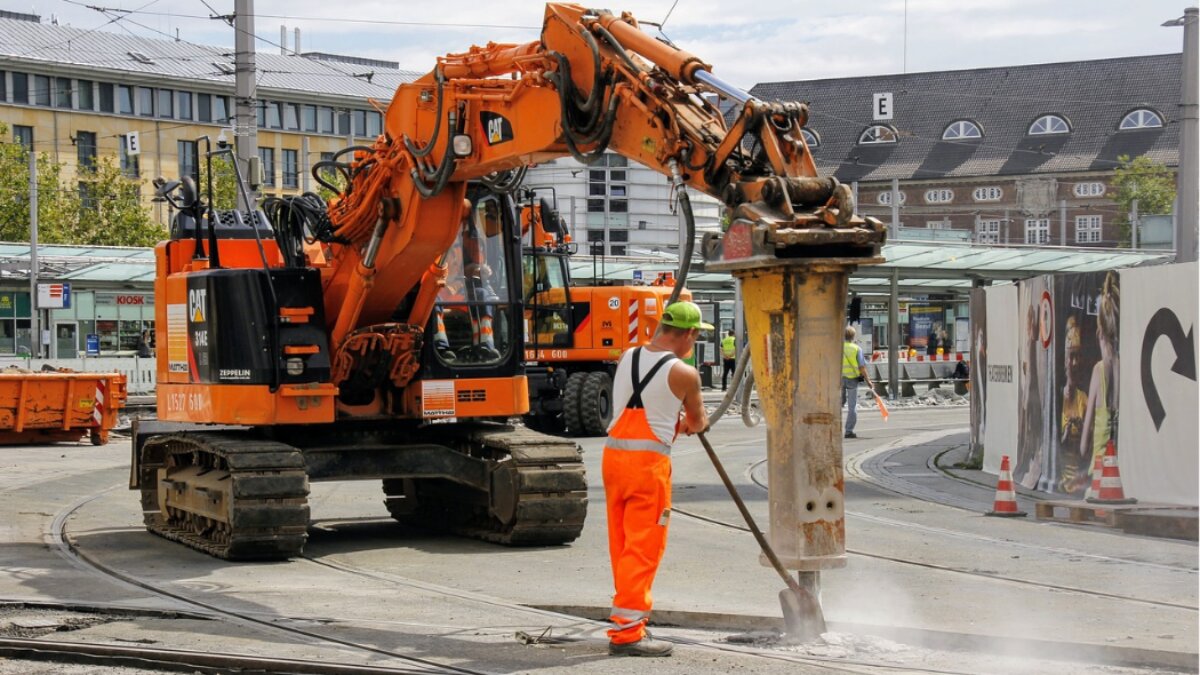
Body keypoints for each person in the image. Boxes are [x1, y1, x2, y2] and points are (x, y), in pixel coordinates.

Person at [604, 301, 710, 658]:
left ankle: (625, 617)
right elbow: (697, 422)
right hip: (647, 468)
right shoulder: (684, 373)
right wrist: (686, 421)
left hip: (614, 460)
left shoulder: (626, 357)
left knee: (621, 542)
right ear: (690, 334)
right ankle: (628, 633)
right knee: (643, 547)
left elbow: (644, 403)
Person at [1080, 273, 1119, 491]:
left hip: (1099, 458)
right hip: (1115, 456)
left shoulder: (1098, 370)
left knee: (1097, 491)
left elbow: (1088, 420)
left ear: (1099, 333)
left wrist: (1084, 442)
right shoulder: (1119, 365)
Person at [842, 325, 873, 439]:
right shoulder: (856, 349)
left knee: (836, 404)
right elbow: (862, 367)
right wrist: (868, 381)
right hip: (852, 380)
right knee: (852, 406)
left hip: (839, 380)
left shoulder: (837, 347)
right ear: (854, 336)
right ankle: (848, 431)